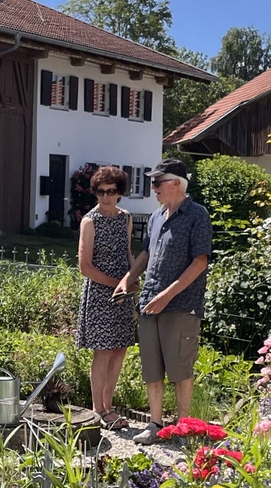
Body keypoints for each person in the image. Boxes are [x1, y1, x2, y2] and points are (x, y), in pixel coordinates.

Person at [117, 158, 213, 443]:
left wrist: (167, 295)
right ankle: (155, 426)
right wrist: (128, 279)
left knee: (180, 369)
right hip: (150, 303)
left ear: (176, 183)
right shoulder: (156, 216)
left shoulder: (198, 215)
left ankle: (183, 428)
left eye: (157, 182)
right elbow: (146, 253)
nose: (153, 187)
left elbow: (200, 262)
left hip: (181, 305)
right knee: (152, 369)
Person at [75, 165, 135, 428]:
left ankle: (109, 408)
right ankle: (97, 410)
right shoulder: (90, 221)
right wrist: (116, 284)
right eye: (100, 192)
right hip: (101, 293)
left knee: (120, 349)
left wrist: (132, 280)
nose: (105, 197)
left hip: (123, 293)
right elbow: (84, 267)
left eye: (111, 191)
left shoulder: (126, 218)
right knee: (103, 351)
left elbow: (128, 253)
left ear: (119, 192)